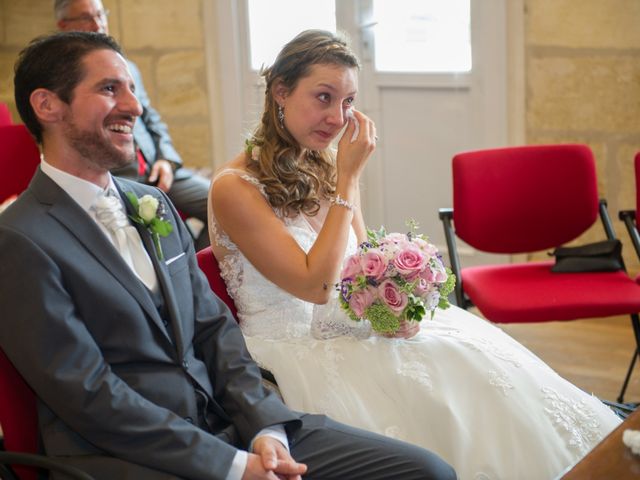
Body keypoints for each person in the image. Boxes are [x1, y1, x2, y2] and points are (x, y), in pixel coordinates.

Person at [0, 31, 457, 480]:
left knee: (426, 470)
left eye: (132, 90)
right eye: (108, 89)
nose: (135, 107)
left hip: (229, 424)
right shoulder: (21, 238)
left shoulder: (153, 204)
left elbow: (214, 328)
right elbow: (89, 396)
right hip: (131, 457)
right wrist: (233, 467)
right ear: (47, 106)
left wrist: (267, 430)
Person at [208, 29, 622, 480]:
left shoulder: (325, 162)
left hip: (352, 327)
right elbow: (316, 285)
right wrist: (348, 180)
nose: (337, 117)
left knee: (472, 358)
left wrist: (390, 301)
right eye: (323, 97)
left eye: (348, 102)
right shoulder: (235, 187)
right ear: (280, 93)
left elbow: (359, 265)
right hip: (293, 351)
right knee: (444, 385)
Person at [54, 0, 211, 251]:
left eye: (100, 15)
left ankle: (201, 272)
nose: (97, 24)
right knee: (175, 241)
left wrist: (166, 161)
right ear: (63, 25)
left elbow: (151, 118)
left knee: (224, 206)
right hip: (123, 176)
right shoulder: (60, 79)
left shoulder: (128, 68)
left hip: (158, 167)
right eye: (86, 17)